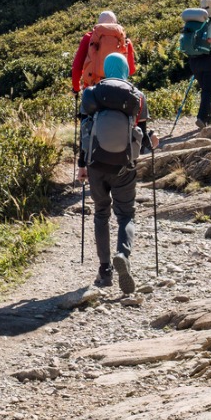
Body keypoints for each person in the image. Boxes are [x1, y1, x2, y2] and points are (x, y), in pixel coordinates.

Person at [78, 51, 156, 294]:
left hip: (96, 163)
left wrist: (83, 166)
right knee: (126, 215)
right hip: (124, 165)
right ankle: (122, 254)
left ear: (104, 68)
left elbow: (84, 132)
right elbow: (143, 137)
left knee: (101, 213)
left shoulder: (92, 93)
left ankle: (105, 270)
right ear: (125, 69)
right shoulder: (137, 96)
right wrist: (151, 142)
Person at [179, 0, 211, 127]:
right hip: (210, 60)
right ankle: (201, 117)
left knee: (205, 89)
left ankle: (208, 117)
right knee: (208, 91)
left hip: (194, 62)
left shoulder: (194, 24)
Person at [71, 10, 137, 94]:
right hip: (117, 89)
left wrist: (76, 88)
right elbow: (130, 70)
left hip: (92, 90)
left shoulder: (89, 38)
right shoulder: (125, 41)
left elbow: (77, 67)